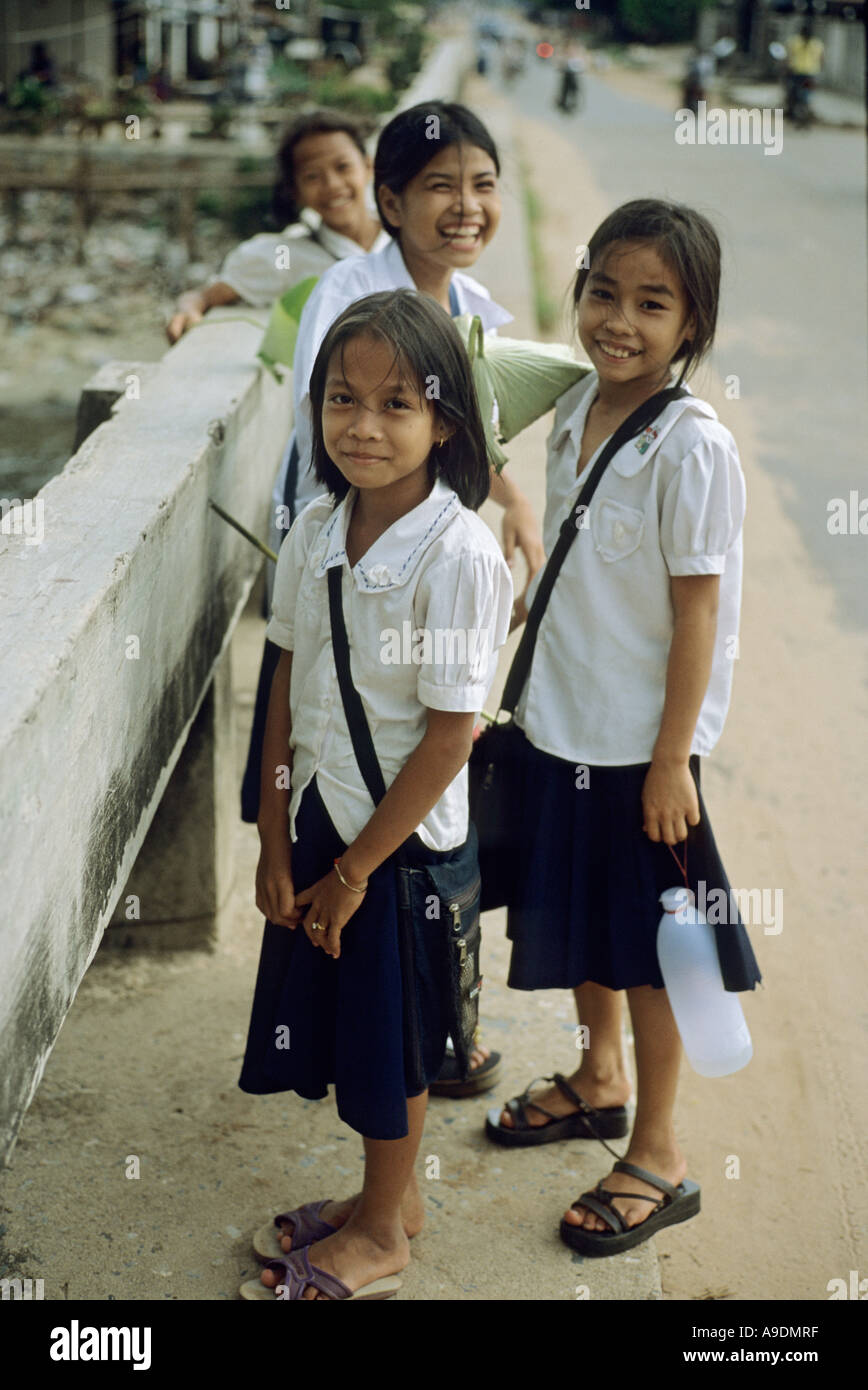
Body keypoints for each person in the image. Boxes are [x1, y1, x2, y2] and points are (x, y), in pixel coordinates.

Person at [239, 102, 545, 1099]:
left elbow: (451, 731)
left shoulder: (472, 310)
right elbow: (322, 446)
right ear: (390, 200)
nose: (465, 207)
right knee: (323, 852)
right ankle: (407, 1052)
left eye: (483, 184)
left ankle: (429, 1049)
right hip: (333, 578)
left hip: (401, 623)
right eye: (442, 186)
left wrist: (511, 504)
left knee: (395, 899)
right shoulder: (349, 294)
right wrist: (281, 843)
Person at [485, 200, 761, 1255]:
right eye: (604, 291)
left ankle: (658, 1150)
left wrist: (669, 762)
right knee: (580, 926)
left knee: (654, 952)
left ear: (692, 325)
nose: (620, 320)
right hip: (559, 723)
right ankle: (598, 1077)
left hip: (640, 750)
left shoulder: (690, 449)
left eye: (653, 304)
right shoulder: (574, 407)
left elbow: (698, 614)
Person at [238, 289, 513, 1300]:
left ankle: (384, 1238)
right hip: (321, 816)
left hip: (396, 851)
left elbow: (451, 738)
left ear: (444, 422)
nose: (362, 425)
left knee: (391, 1042)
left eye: (397, 404)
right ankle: (387, 1202)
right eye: (341, 399)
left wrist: (353, 870)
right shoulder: (316, 527)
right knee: (357, 1022)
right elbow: (282, 681)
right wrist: (275, 840)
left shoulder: (458, 556)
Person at [166, 110, 387, 343]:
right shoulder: (285, 257)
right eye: (312, 176)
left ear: (368, 167)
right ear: (295, 191)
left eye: (343, 167)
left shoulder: (409, 236)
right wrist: (187, 310)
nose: (332, 185)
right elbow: (202, 297)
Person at [784, 21, 824, 123]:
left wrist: (785, 69)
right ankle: (803, 113)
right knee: (805, 95)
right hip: (810, 74)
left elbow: (788, 57)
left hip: (797, 73)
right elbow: (821, 60)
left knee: (794, 93)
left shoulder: (794, 41)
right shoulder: (817, 44)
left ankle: (795, 113)